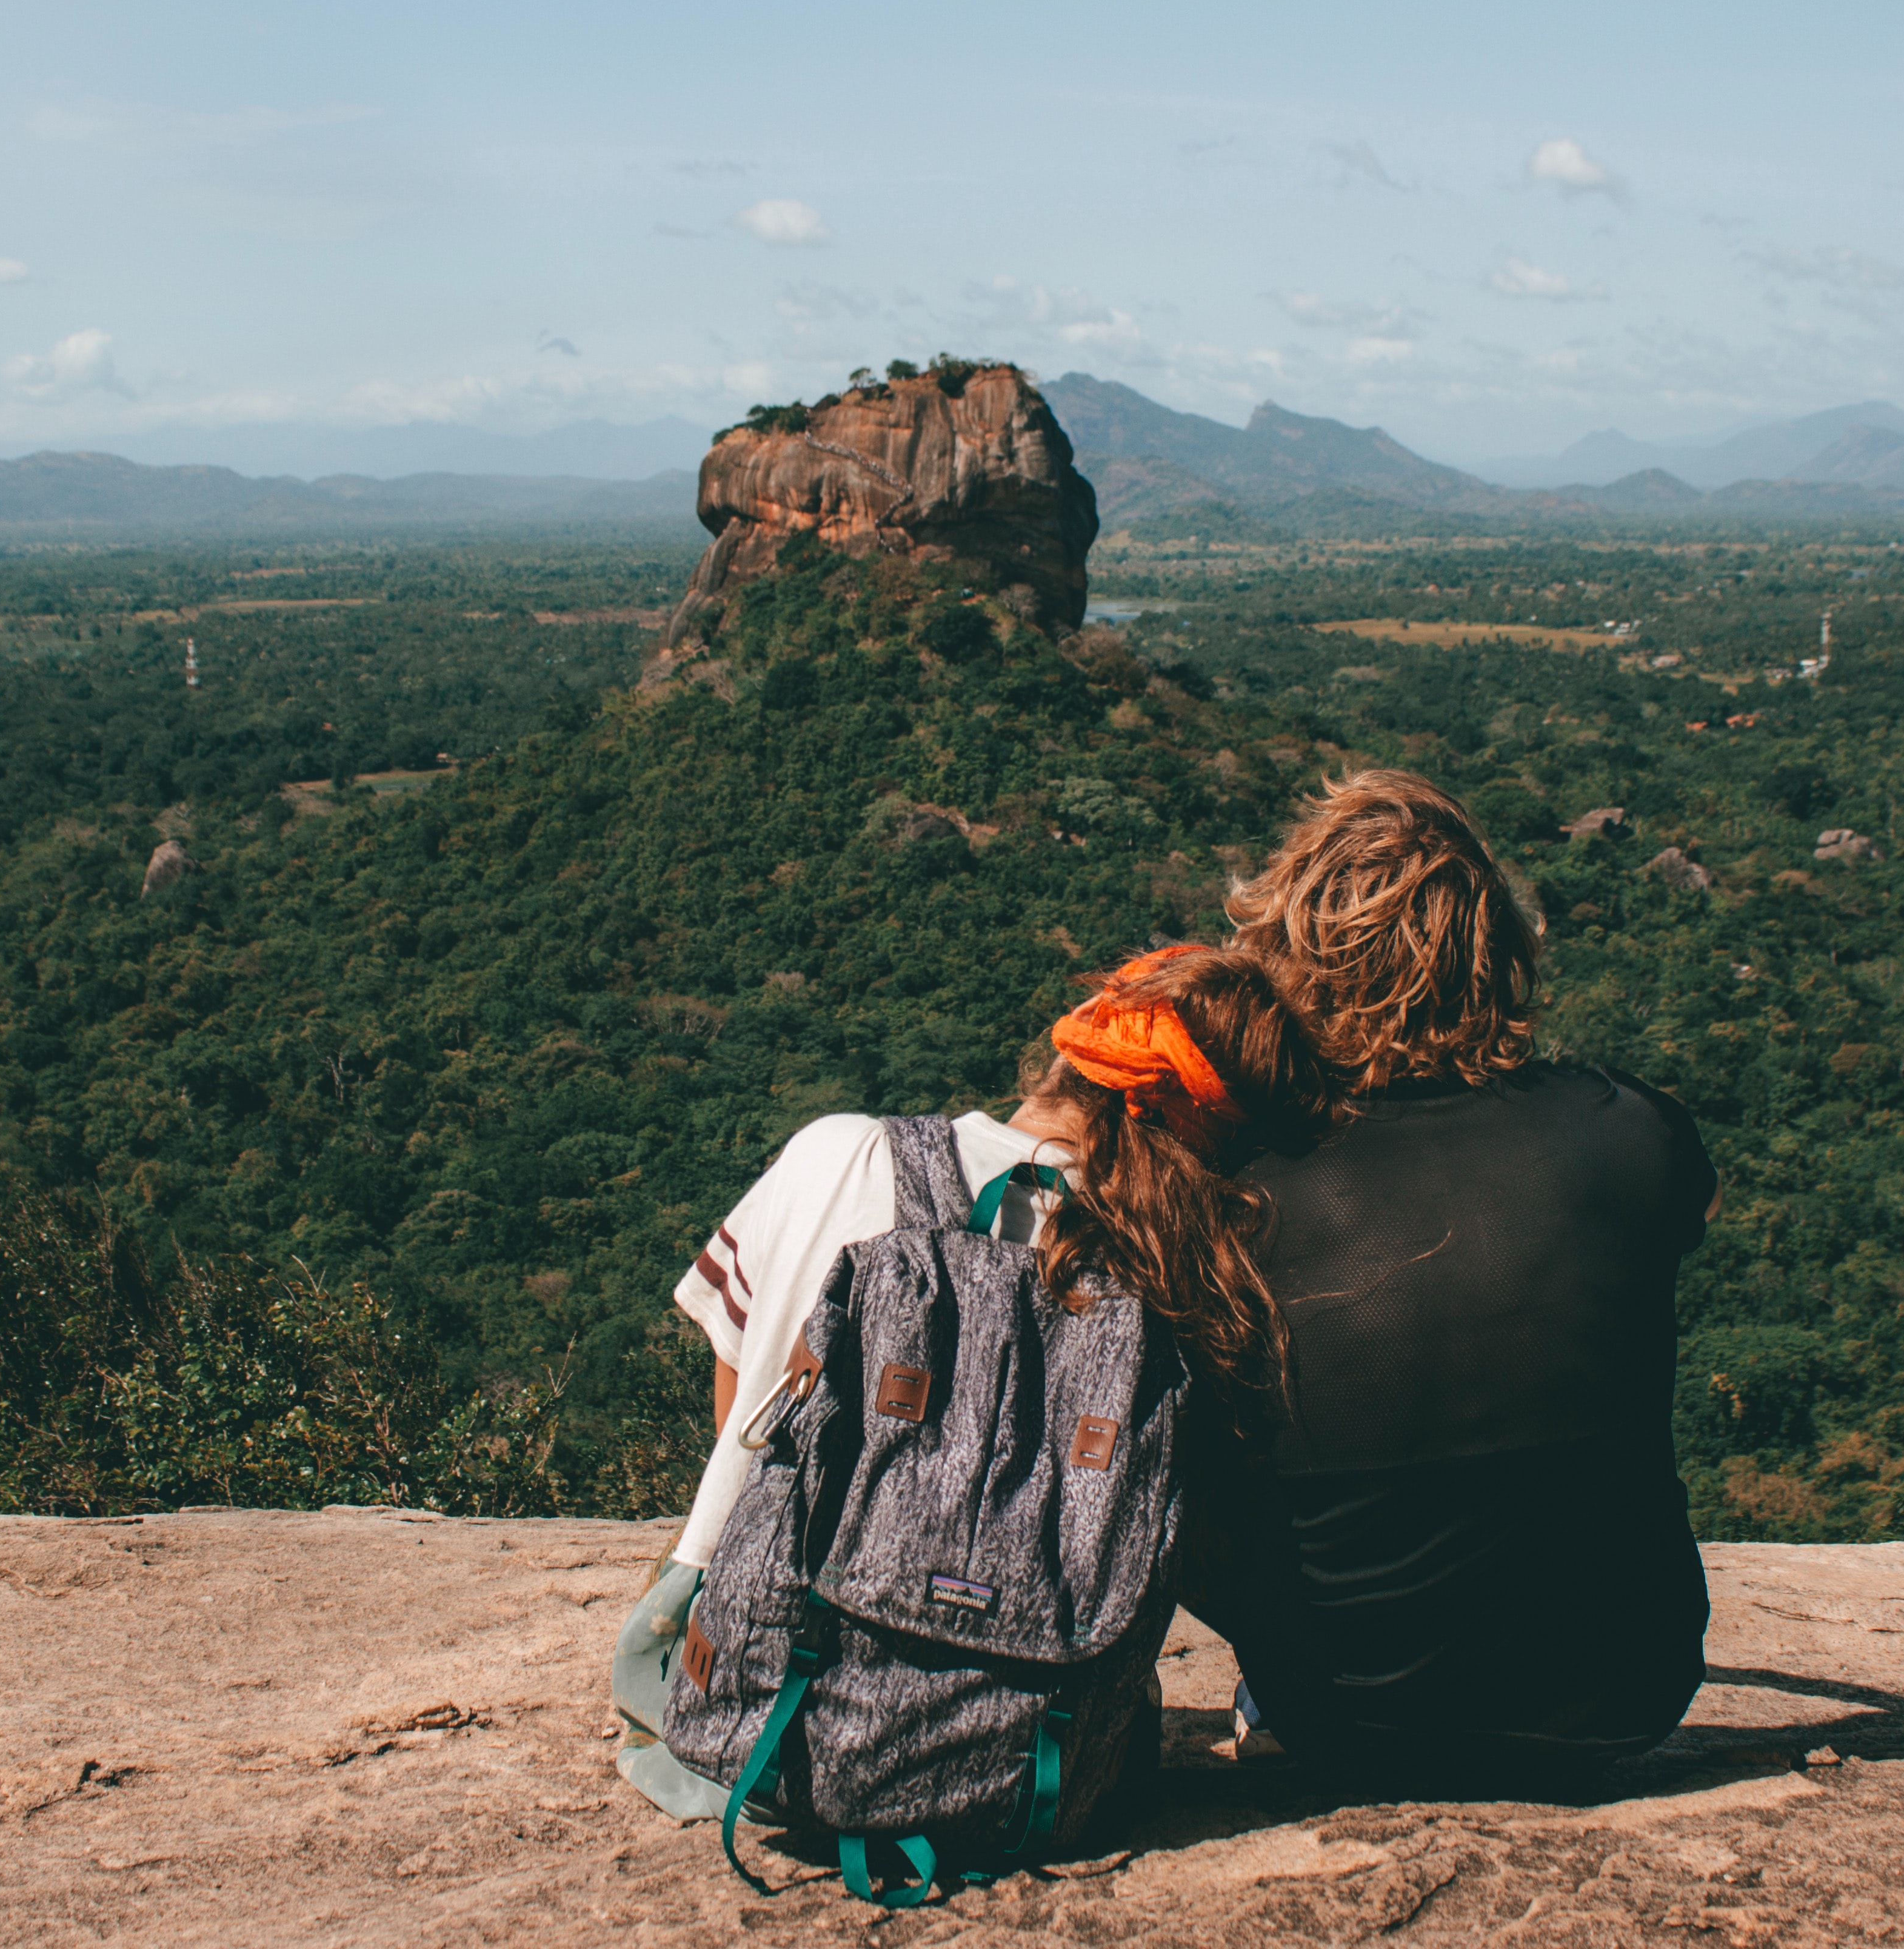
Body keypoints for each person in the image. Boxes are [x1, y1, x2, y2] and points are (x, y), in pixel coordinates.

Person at [612, 942, 1335, 1820]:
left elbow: (740, 1407)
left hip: (747, 1701)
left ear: (1072, 1047)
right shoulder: (1183, 1273)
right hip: (1030, 1731)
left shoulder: (840, 1153)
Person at [1189, 767, 1721, 1795]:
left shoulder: (1236, 1185)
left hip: (1348, 1717)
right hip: (1627, 1696)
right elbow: (1681, 1229)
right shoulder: (1631, 1131)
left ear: (1289, 956)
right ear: (1498, 951)